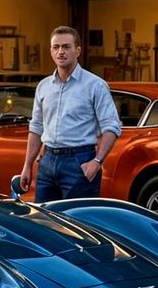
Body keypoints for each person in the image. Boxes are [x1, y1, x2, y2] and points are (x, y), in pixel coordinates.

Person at [18, 26, 122, 204]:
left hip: (80, 161)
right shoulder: (44, 86)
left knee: (77, 219)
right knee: (44, 217)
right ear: (51, 51)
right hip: (48, 160)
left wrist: (96, 162)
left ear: (78, 51)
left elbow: (111, 126)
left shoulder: (95, 85)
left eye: (66, 47)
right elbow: (36, 127)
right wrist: (27, 165)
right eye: (56, 47)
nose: (61, 52)